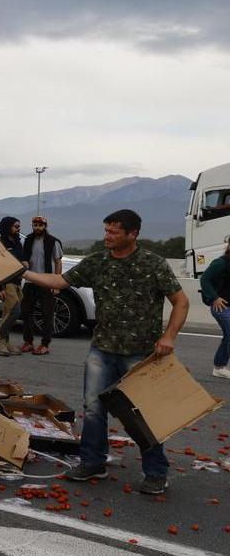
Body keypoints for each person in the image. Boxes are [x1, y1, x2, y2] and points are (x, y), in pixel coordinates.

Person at [23, 209, 188, 495]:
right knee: (93, 407)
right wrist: (23, 273)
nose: (107, 237)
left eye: (113, 232)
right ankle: (92, 462)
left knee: (142, 413)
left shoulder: (153, 264)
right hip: (102, 349)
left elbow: (181, 302)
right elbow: (60, 282)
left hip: (140, 354)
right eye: (106, 231)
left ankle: (156, 472)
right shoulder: (98, 262)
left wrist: (169, 337)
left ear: (133, 234)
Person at [20, 216, 63, 355]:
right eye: (35, 225)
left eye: (40, 225)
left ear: (45, 227)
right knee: (26, 311)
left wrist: (56, 284)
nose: (37, 228)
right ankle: (28, 342)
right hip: (30, 281)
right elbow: (24, 258)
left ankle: (45, 344)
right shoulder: (28, 240)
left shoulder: (53, 241)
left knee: (47, 314)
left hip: (46, 281)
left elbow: (58, 262)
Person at [0, 216, 26, 357]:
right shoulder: (0, 244)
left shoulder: (17, 242)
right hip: (7, 283)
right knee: (15, 311)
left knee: (8, 313)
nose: (19, 229)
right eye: (16, 227)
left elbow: (21, 259)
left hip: (17, 282)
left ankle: (5, 342)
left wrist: (25, 262)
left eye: (19, 226)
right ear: (7, 227)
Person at [199, 238, 230, 379]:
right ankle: (219, 367)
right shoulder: (221, 262)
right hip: (221, 306)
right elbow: (204, 279)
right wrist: (214, 297)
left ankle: (219, 366)